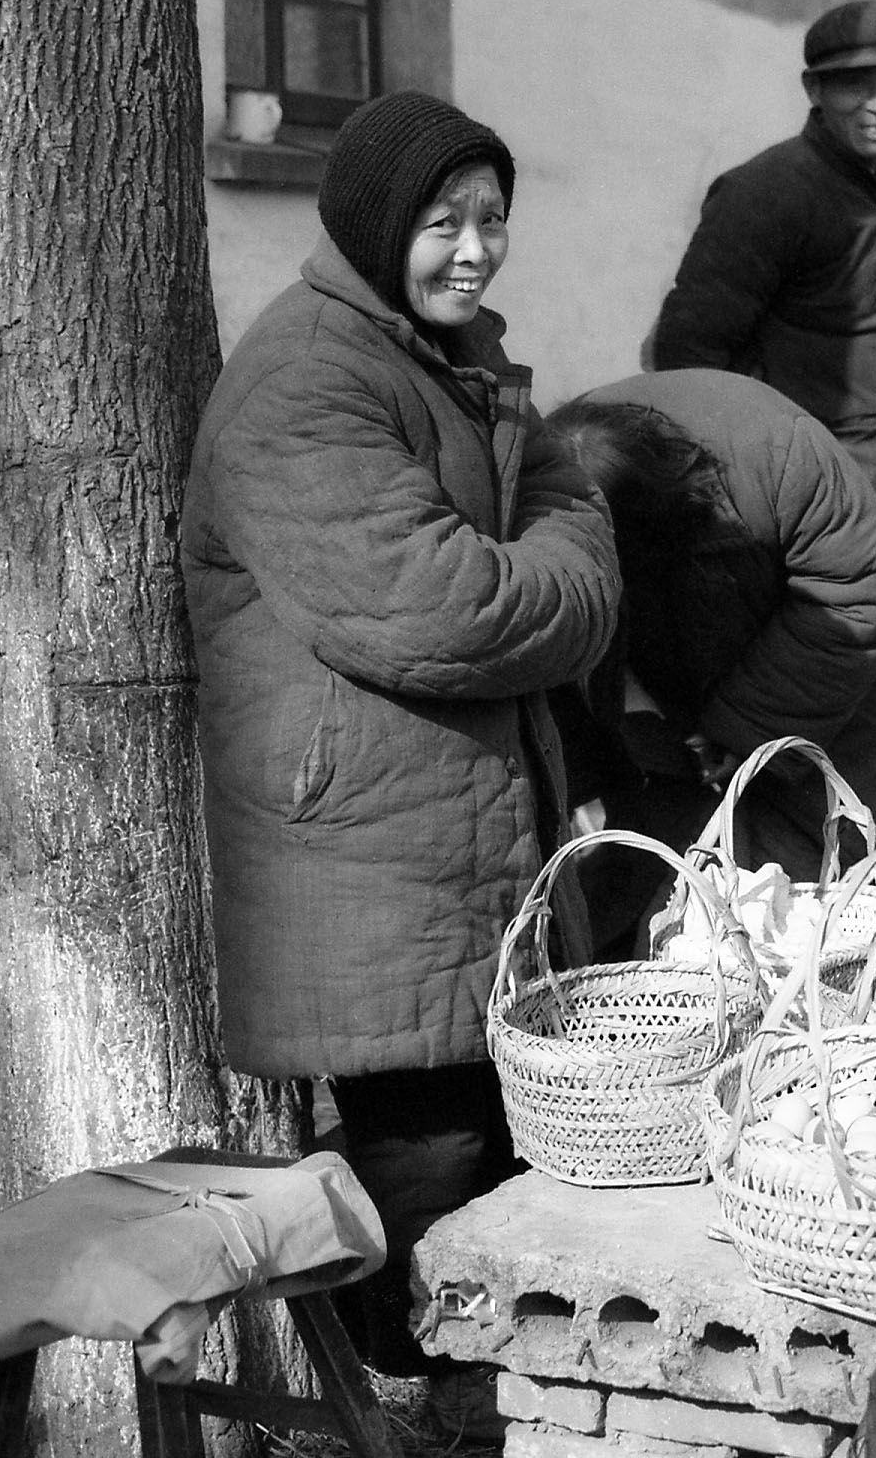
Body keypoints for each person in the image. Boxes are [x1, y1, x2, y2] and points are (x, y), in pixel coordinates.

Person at [180, 92, 620, 1423]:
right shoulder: (305, 380)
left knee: (481, 1139)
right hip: (362, 846)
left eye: (493, 218)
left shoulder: (442, 353)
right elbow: (447, 611)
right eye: (444, 222)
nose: (475, 249)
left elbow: (564, 505)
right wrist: (570, 576)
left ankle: (477, 1403)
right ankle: (415, 1412)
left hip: (438, 824)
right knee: (426, 1153)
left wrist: (560, 556)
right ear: (378, 226)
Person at [647, 0, 876, 771]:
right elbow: (687, 357)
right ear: (814, 89)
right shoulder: (768, 192)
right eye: (853, 86)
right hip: (819, 526)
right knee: (850, 744)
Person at [544, 371, 876, 951]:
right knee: (690, 920)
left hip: (838, 693)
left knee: (859, 914)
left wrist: (746, 732)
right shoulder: (545, 491)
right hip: (679, 726)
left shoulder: (773, 456)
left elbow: (863, 585)